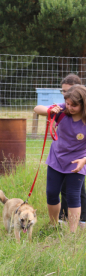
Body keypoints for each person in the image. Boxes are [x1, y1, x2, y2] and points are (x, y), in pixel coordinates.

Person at [34, 85, 86, 232]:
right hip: (56, 158)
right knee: (51, 192)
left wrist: (84, 160)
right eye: (67, 103)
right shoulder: (62, 110)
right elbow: (37, 108)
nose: (69, 107)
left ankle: (72, 233)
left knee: (72, 195)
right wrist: (49, 110)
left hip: (78, 161)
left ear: (83, 104)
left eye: (74, 105)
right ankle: (54, 225)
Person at [58, 74, 86, 228]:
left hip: (80, 157)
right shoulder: (66, 108)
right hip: (67, 156)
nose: (64, 95)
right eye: (63, 91)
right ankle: (64, 216)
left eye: (67, 91)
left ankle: (81, 219)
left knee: (77, 190)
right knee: (67, 188)